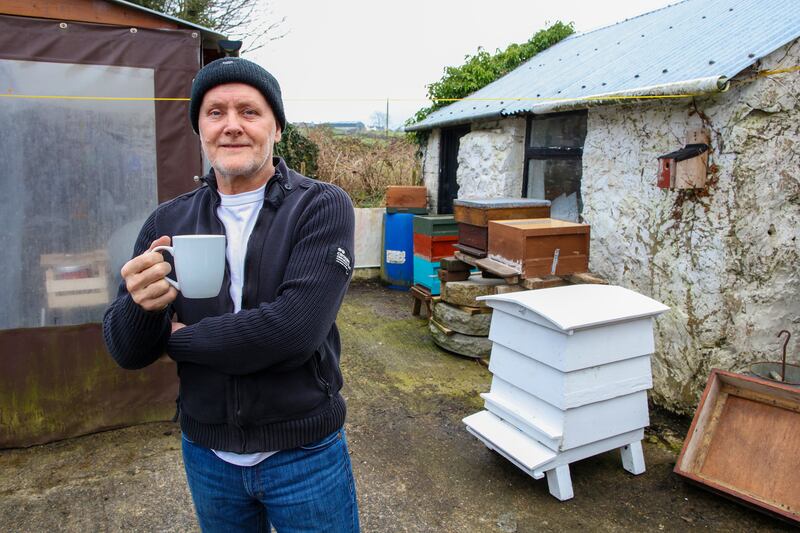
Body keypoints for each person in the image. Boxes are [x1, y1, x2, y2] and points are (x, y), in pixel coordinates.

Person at [103, 57, 359, 532]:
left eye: (250, 111)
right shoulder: (167, 222)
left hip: (303, 453)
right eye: (216, 113)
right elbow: (127, 351)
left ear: (277, 127)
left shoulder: (320, 206)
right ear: (200, 128)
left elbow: (291, 333)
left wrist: (177, 340)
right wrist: (141, 306)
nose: (232, 126)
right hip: (208, 456)